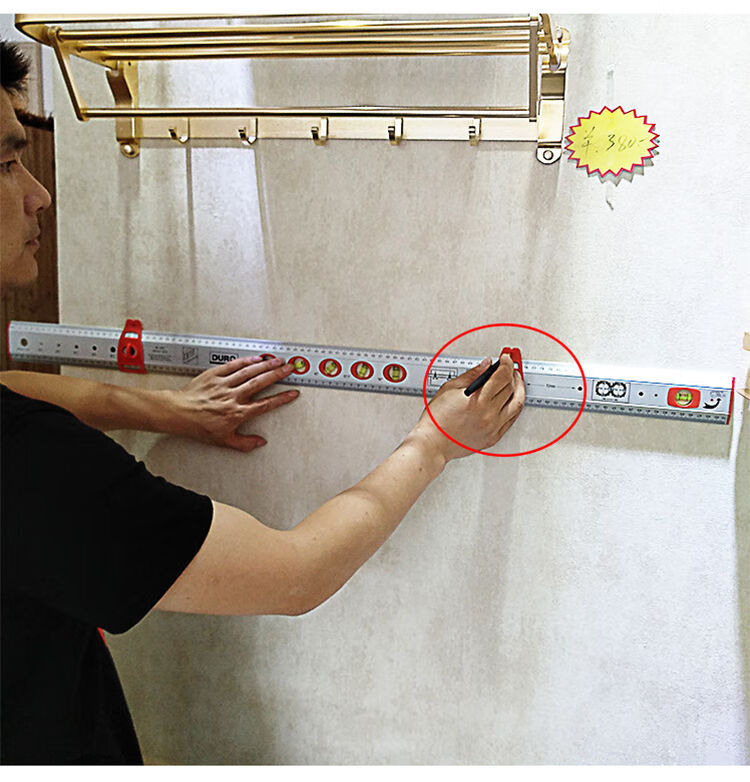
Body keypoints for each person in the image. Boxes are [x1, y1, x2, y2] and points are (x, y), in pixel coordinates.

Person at [0, 40, 526, 764]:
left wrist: (164, 411)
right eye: (7, 163)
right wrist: (432, 443)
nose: (39, 192)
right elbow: (296, 573)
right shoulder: (31, 465)